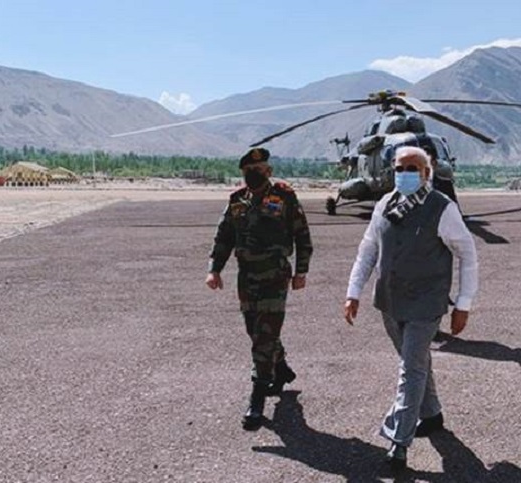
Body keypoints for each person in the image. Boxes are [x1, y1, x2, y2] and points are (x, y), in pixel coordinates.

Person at [343, 146, 478, 470]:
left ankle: (398, 441)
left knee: (410, 369)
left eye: (413, 168)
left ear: (427, 172)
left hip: (426, 302)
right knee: (414, 361)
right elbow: (368, 250)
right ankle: (431, 415)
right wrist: (353, 292)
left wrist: (463, 304)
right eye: (400, 167)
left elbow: (468, 254)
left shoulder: (441, 208)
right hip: (389, 301)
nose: (404, 173)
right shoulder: (384, 204)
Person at [205, 147, 313, 431]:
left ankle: (257, 398)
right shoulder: (236, 200)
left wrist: (301, 270)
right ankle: (282, 368)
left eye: (260, 170)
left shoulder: (285, 197)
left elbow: (302, 235)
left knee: (263, 338)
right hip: (247, 278)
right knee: (255, 330)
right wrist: (214, 269)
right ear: (243, 173)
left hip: (275, 277)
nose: (255, 174)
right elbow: (224, 236)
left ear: (269, 171)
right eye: (250, 171)